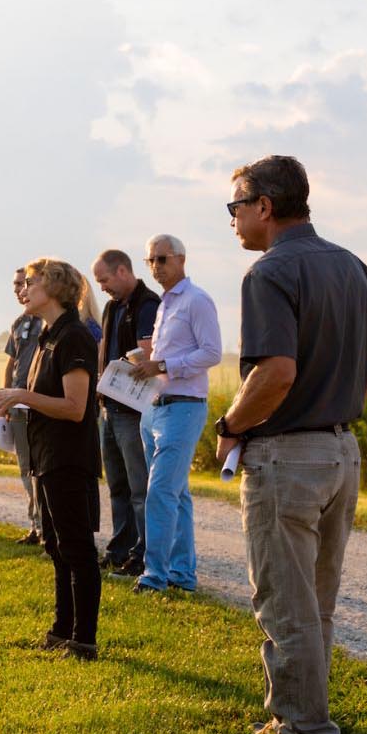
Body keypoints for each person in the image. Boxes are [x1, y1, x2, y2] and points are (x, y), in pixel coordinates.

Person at [218, 155, 367, 734]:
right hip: (342, 452)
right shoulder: (351, 265)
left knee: (284, 604)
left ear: (265, 206)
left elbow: (277, 371)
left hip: (286, 457)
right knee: (315, 605)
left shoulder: (268, 273)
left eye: (235, 207)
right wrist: (334, 406)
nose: (232, 219)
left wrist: (231, 425)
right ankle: (295, 717)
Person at [0, 257, 102, 661]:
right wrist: (12, 401)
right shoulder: (46, 336)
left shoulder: (75, 337)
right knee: (54, 545)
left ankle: (83, 641)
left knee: (77, 549)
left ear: (54, 287)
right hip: (45, 455)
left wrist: (20, 396)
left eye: (31, 282)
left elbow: (74, 407)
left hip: (69, 457)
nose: (24, 289)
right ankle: (60, 631)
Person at [127, 233, 222, 595]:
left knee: (161, 492)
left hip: (184, 407)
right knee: (177, 495)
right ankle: (182, 574)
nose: (155, 267)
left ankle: (154, 575)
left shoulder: (197, 301)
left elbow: (212, 353)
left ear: (181, 258)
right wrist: (144, 364)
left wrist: (164, 364)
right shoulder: (166, 303)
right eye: (149, 260)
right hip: (154, 406)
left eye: (161, 259)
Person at [92, 249, 160, 575]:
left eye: (104, 280)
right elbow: (104, 347)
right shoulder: (110, 307)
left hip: (132, 410)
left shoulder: (147, 304)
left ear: (122, 271)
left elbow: (147, 355)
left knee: (138, 488)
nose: (102, 287)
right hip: (109, 405)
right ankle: (120, 548)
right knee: (117, 485)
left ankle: (144, 553)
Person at [2, 270, 44, 544]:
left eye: (23, 283)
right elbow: (11, 361)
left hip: (38, 404)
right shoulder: (18, 323)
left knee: (40, 469)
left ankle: (45, 528)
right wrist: (5, 396)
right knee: (25, 467)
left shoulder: (46, 321)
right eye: (15, 285)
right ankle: (35, 524)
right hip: (16, 405)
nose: (18, 289)